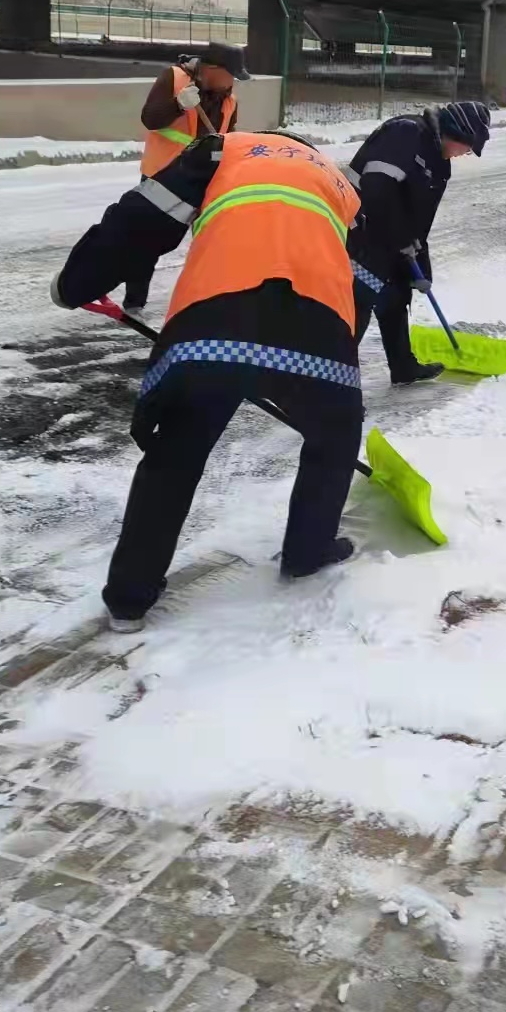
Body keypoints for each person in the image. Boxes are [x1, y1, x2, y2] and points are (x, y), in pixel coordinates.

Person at [52, 131, 364, 631]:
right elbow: (355, 267)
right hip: (314, 327)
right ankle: (308, 550)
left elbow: (140, 221)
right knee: (336, 436)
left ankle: (129, 599)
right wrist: (345, 351)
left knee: (176, 452)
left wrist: (76, 283)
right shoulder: (338, 180)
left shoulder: (223, 150)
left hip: (213, 322)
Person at [346, 100, 489, 384]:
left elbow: (420, 220)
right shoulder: (406, 133)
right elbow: (377, 189)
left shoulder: (440, 162)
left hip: (390, 237)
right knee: (357, 304)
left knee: (397, 296)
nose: (465, 154)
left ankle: (403, 367)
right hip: (358, 228)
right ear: (455, 133)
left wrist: (420, 265)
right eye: (467, 147)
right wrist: (402, 240)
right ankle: (333, 384)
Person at [124, 42, 250, 315]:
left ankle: (206, 300)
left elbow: (229, 137)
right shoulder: (174, 78)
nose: (233, 82)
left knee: (212, 240)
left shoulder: (229, 98)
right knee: (146, 239)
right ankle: (134, 303)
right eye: (231, 74)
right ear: (212, 70)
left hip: (205, 179)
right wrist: (179, 104)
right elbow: (150, 119)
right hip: (163, 175)